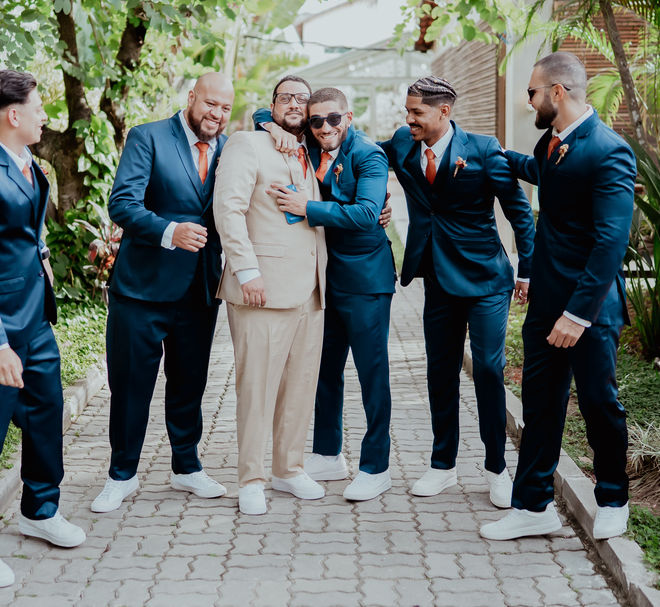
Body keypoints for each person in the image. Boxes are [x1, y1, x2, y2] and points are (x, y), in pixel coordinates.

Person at [480, 51, 635, 541]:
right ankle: (533, 506)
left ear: (557, 92)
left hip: (588, 309)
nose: (529, 101)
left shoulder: (609, 150)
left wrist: (578, 314)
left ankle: (613, 499)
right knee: (540, 405)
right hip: (546, 303)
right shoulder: (552, 143)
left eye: (532, 92)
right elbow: (544, 172)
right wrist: (498, 155)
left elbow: (611, 242)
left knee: (597, 402)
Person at [0, 69, 86, 590]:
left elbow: (26, 233)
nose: (45, 115)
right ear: (13, 114)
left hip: (35, 321)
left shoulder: (27, 162)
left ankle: (40, 510)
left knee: (47, 414)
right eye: (39, 106)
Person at [380, 75, 535, 509]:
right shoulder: (403, 144)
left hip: (486, 280)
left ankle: (497, 469)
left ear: (443, 111)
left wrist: (527, 270)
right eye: (407, 111)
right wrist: (273, 124)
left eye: (417, 112)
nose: (408, 119)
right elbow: (359, 153)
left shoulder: (483, 150)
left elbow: (519, 212)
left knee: (487, 369)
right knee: (440, 372)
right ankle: (442, 465)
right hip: (437, 280)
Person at [92, 72, 236, 513]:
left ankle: (186, 467)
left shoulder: (230, 149)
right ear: (191, 97)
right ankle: (121, 475)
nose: (216, 114)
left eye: (226, 108)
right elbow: (123, 203)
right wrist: (170, 231)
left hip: (200, 289)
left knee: (190, 383)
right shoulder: (148, 137)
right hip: (142, 290)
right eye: (210, 103)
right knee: (131, 385)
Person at [253, 88, 397, 501]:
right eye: (316, 121)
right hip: (323, 280)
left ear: (348, 117)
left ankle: (376, 467)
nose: (324, 127)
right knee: (323, 371)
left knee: (372, 375)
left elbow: (367, 214)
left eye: (333, 119)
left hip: (366, 282)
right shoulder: (310, 145)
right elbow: (266, 112)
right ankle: (328, 453)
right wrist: (271, 125)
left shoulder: (368, 155)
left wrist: (307, 208)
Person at [213, 75, 329, 515]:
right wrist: (247, 271)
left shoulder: (310, 148)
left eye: (303, 98)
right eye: (285, 98)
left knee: (299, 386)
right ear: (273, 105)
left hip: (311, 290)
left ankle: (288, 469)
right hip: (261, 288)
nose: (294, 104)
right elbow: (229, 209)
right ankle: (251, 478)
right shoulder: (247, 143)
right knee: (256, 389)